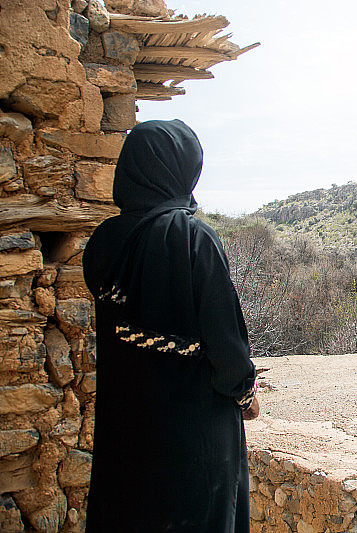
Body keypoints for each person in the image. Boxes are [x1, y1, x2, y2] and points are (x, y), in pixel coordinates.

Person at [82, 119, 259, 533]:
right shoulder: (193, 237)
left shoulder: (105, 241)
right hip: (195, 437)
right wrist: (245, 393)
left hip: (128, 426)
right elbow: (225, 341)